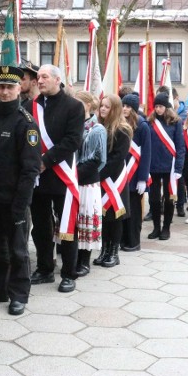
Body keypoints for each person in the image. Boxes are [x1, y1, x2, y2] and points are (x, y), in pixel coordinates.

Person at [0, 65, 40, 315]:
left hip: (14, 199)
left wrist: (20, 204)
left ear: (18, 89)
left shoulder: (26, 123)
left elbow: (30, 169)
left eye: (9, 87)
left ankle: (19, 293)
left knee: (17, 250)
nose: (3, 92)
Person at [28, 65, 84, 293]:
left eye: (44, 77)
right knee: (40, 227)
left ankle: (69, 273)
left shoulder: (74, 106)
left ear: (57, 79)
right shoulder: (30, 106)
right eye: (38, 77)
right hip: (37, 178)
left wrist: (45, 161)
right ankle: (44, 268)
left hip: (61, 175)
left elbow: (73, 140)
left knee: (67, 227)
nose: (39, 81)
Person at [93, 94, 132, 267]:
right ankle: (104, 250)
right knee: (103, 217)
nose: (102, 109)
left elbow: (117, 159)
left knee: (114, 216)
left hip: (114, 180)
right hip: (100, 178)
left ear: (114, 109)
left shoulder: (122, 129)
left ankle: (114, 253)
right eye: (101, 105)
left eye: (107, 107)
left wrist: (98, 174)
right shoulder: (98, 127)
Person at [74, 91, 107, 273]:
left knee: (85, 221)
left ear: (87, 105)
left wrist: (76, 173)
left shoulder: (97, 129)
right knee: (73, 221)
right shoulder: (72, 125)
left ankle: (84, 261)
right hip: (72, 181)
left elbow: (98, 159)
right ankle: (71, 258)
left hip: (86, 182)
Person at [148, 92, 184, 239]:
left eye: (161, 106)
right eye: (156, 106)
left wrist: (178, 168)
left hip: (170, 167)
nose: (158, 109)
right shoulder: (150, 122)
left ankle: (166, 228)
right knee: (154, 199)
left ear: (167, 107)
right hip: (154, 166)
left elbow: (180, 147)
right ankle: (156, 227)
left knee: (169, 199)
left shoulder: (175, 122)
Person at [119, 93, 151, 252]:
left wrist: (143, 179)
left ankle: (133, 242)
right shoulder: (120, 123)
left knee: (135, 212)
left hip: (135, 174)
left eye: (128, 107)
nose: (124, 109)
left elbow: (146, 153)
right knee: (123, 209)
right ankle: (123, 239)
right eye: (123, 106)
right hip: (122, 173)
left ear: (134, 109)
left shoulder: (143, 126)